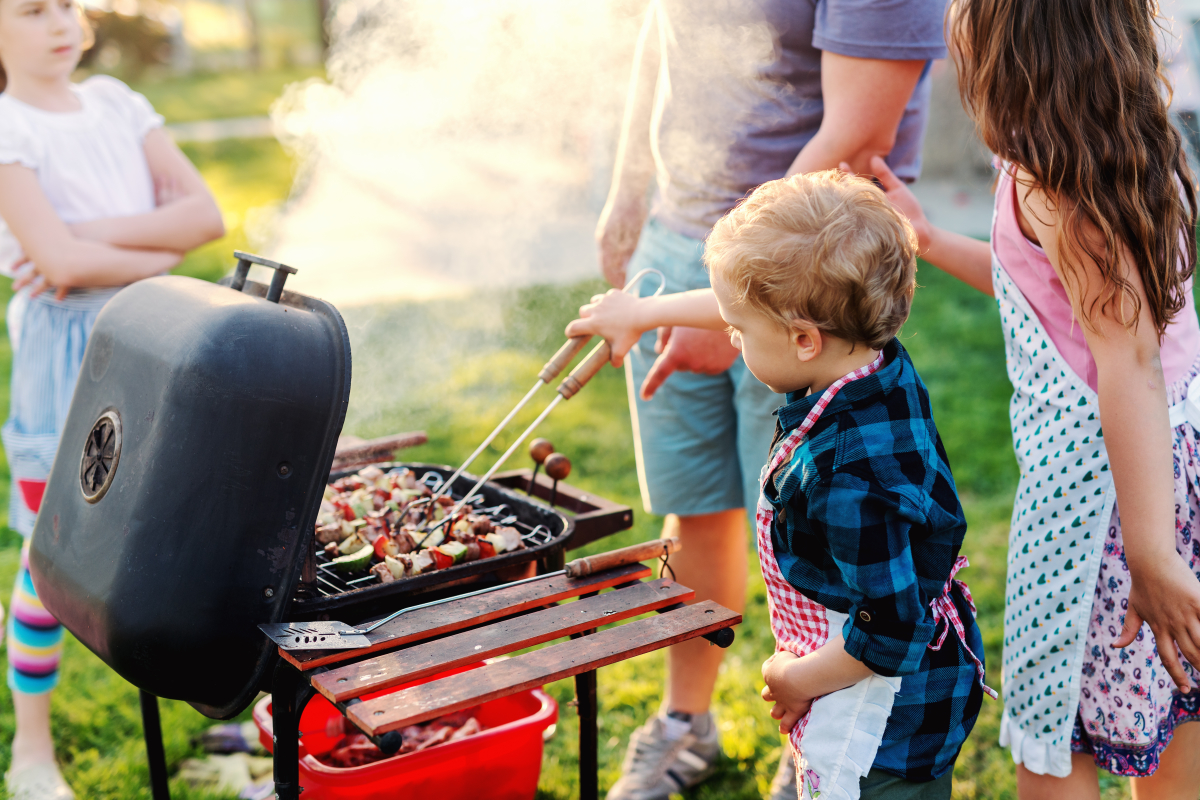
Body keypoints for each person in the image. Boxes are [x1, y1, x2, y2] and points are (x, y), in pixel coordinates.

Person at [595, 2, 948, 796]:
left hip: (807, 260)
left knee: (818, 542)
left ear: (794, 341)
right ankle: (688, 722)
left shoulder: (834, 399)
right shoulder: (767, 325)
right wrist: (631, 196)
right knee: (696, 506)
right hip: (700, 240)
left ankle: (819, 749)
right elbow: (665, 31)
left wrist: (745, 303)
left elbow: (857, 137)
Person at [851, 0, 1200, 797]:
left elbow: (1130, 362)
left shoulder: (1054, 187)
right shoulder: (1129, 148)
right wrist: (934, 242)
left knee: (1052, 735)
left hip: (1101, 490)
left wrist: (1149, 553)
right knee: (1173, 694)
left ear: (1016, 65)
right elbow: (1051, 297)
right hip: (1178, 460)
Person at [569, 169, 991, 799]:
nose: (731, 337)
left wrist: (795, 679)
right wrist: (643, 310)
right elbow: (751, 300)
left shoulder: (848, 472)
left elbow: (893, 631)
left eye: (738, 332)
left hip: (882, 726)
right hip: (870, 687)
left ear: (802, 339)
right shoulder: (869, 361)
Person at [0, 0, 224, 794]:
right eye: (31, 10)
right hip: (66, 361)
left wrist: (87, 239)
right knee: (51, 552)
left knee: (177, 527)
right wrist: (155, 248)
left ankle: (207, 700)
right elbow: (57, 266)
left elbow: (206, 215)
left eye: (66, 3)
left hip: (159, 337)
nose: (60, 21)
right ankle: (31, 751)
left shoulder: (119, 105)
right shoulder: (8, 127)